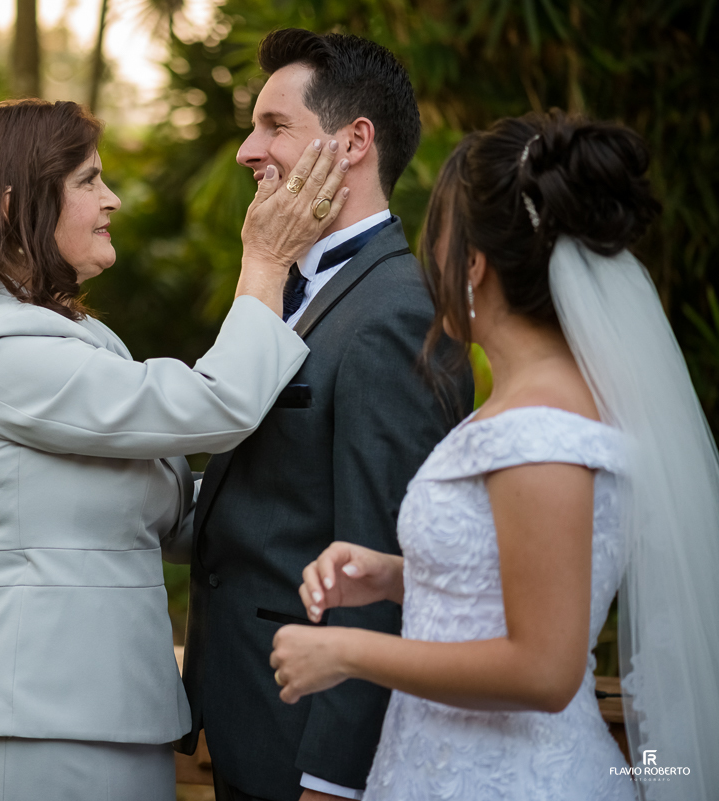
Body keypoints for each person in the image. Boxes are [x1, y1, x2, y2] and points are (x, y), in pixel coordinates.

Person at [0, 99, 350, 801]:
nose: (112, 200)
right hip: (36, 718)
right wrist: (265, 261)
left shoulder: (83, 339)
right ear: (15, 205)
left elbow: (173, 518)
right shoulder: (1, 348)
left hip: (108, 710)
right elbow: (215, 404)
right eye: (88, 180)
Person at [270, 111, 719, 799]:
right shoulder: (538, 404)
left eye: (438, 244)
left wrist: (347, 651)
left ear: (473, 264)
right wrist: (396, 575)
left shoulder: (539, 428)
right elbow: (515, 579)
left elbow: (544, 669)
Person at [177, 29, 474, 801]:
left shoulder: (394, 314)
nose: (248, 150)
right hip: (249, 702)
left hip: (307, 738)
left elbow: (382, 558)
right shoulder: (285, 288)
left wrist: (333, 777)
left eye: (274, 125)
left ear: (353, 143)